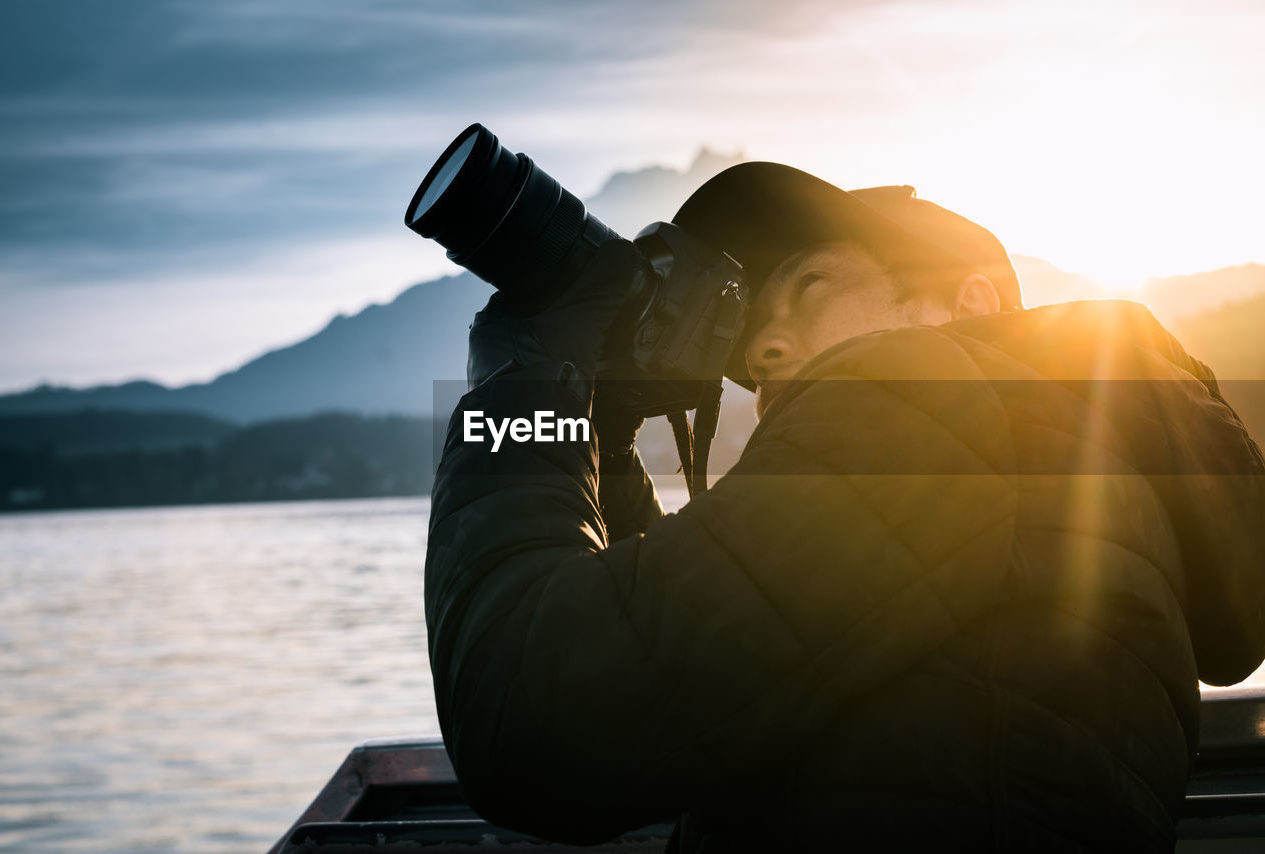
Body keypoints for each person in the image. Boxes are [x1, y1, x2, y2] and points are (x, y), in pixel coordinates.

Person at [425, 161, 1265, 851]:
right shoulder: (1055, 463)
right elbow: (677, 660)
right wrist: (593, 434)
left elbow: (532, 723)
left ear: (970, 304)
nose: (763, 348)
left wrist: (523, 391)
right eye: (750, 336)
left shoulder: (937, 399)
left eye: (811, 283)